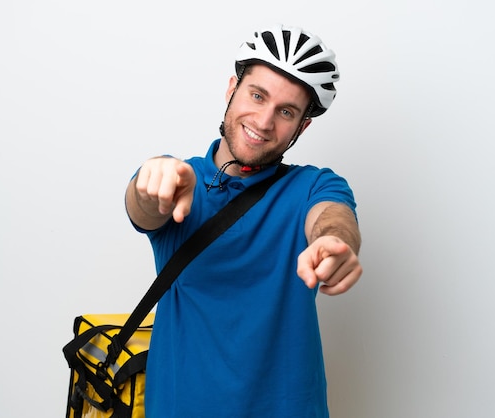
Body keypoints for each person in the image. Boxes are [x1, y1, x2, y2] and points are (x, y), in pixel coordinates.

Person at [125, 24, 362, 418]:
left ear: (301, 127)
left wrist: (334, 242)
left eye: (285, 112)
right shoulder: (179, 179)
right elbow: (143, 205)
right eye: (257, 95)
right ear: (231, 88)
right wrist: (151, 183)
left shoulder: (311, 186)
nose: (265, 121)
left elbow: (333, 214)